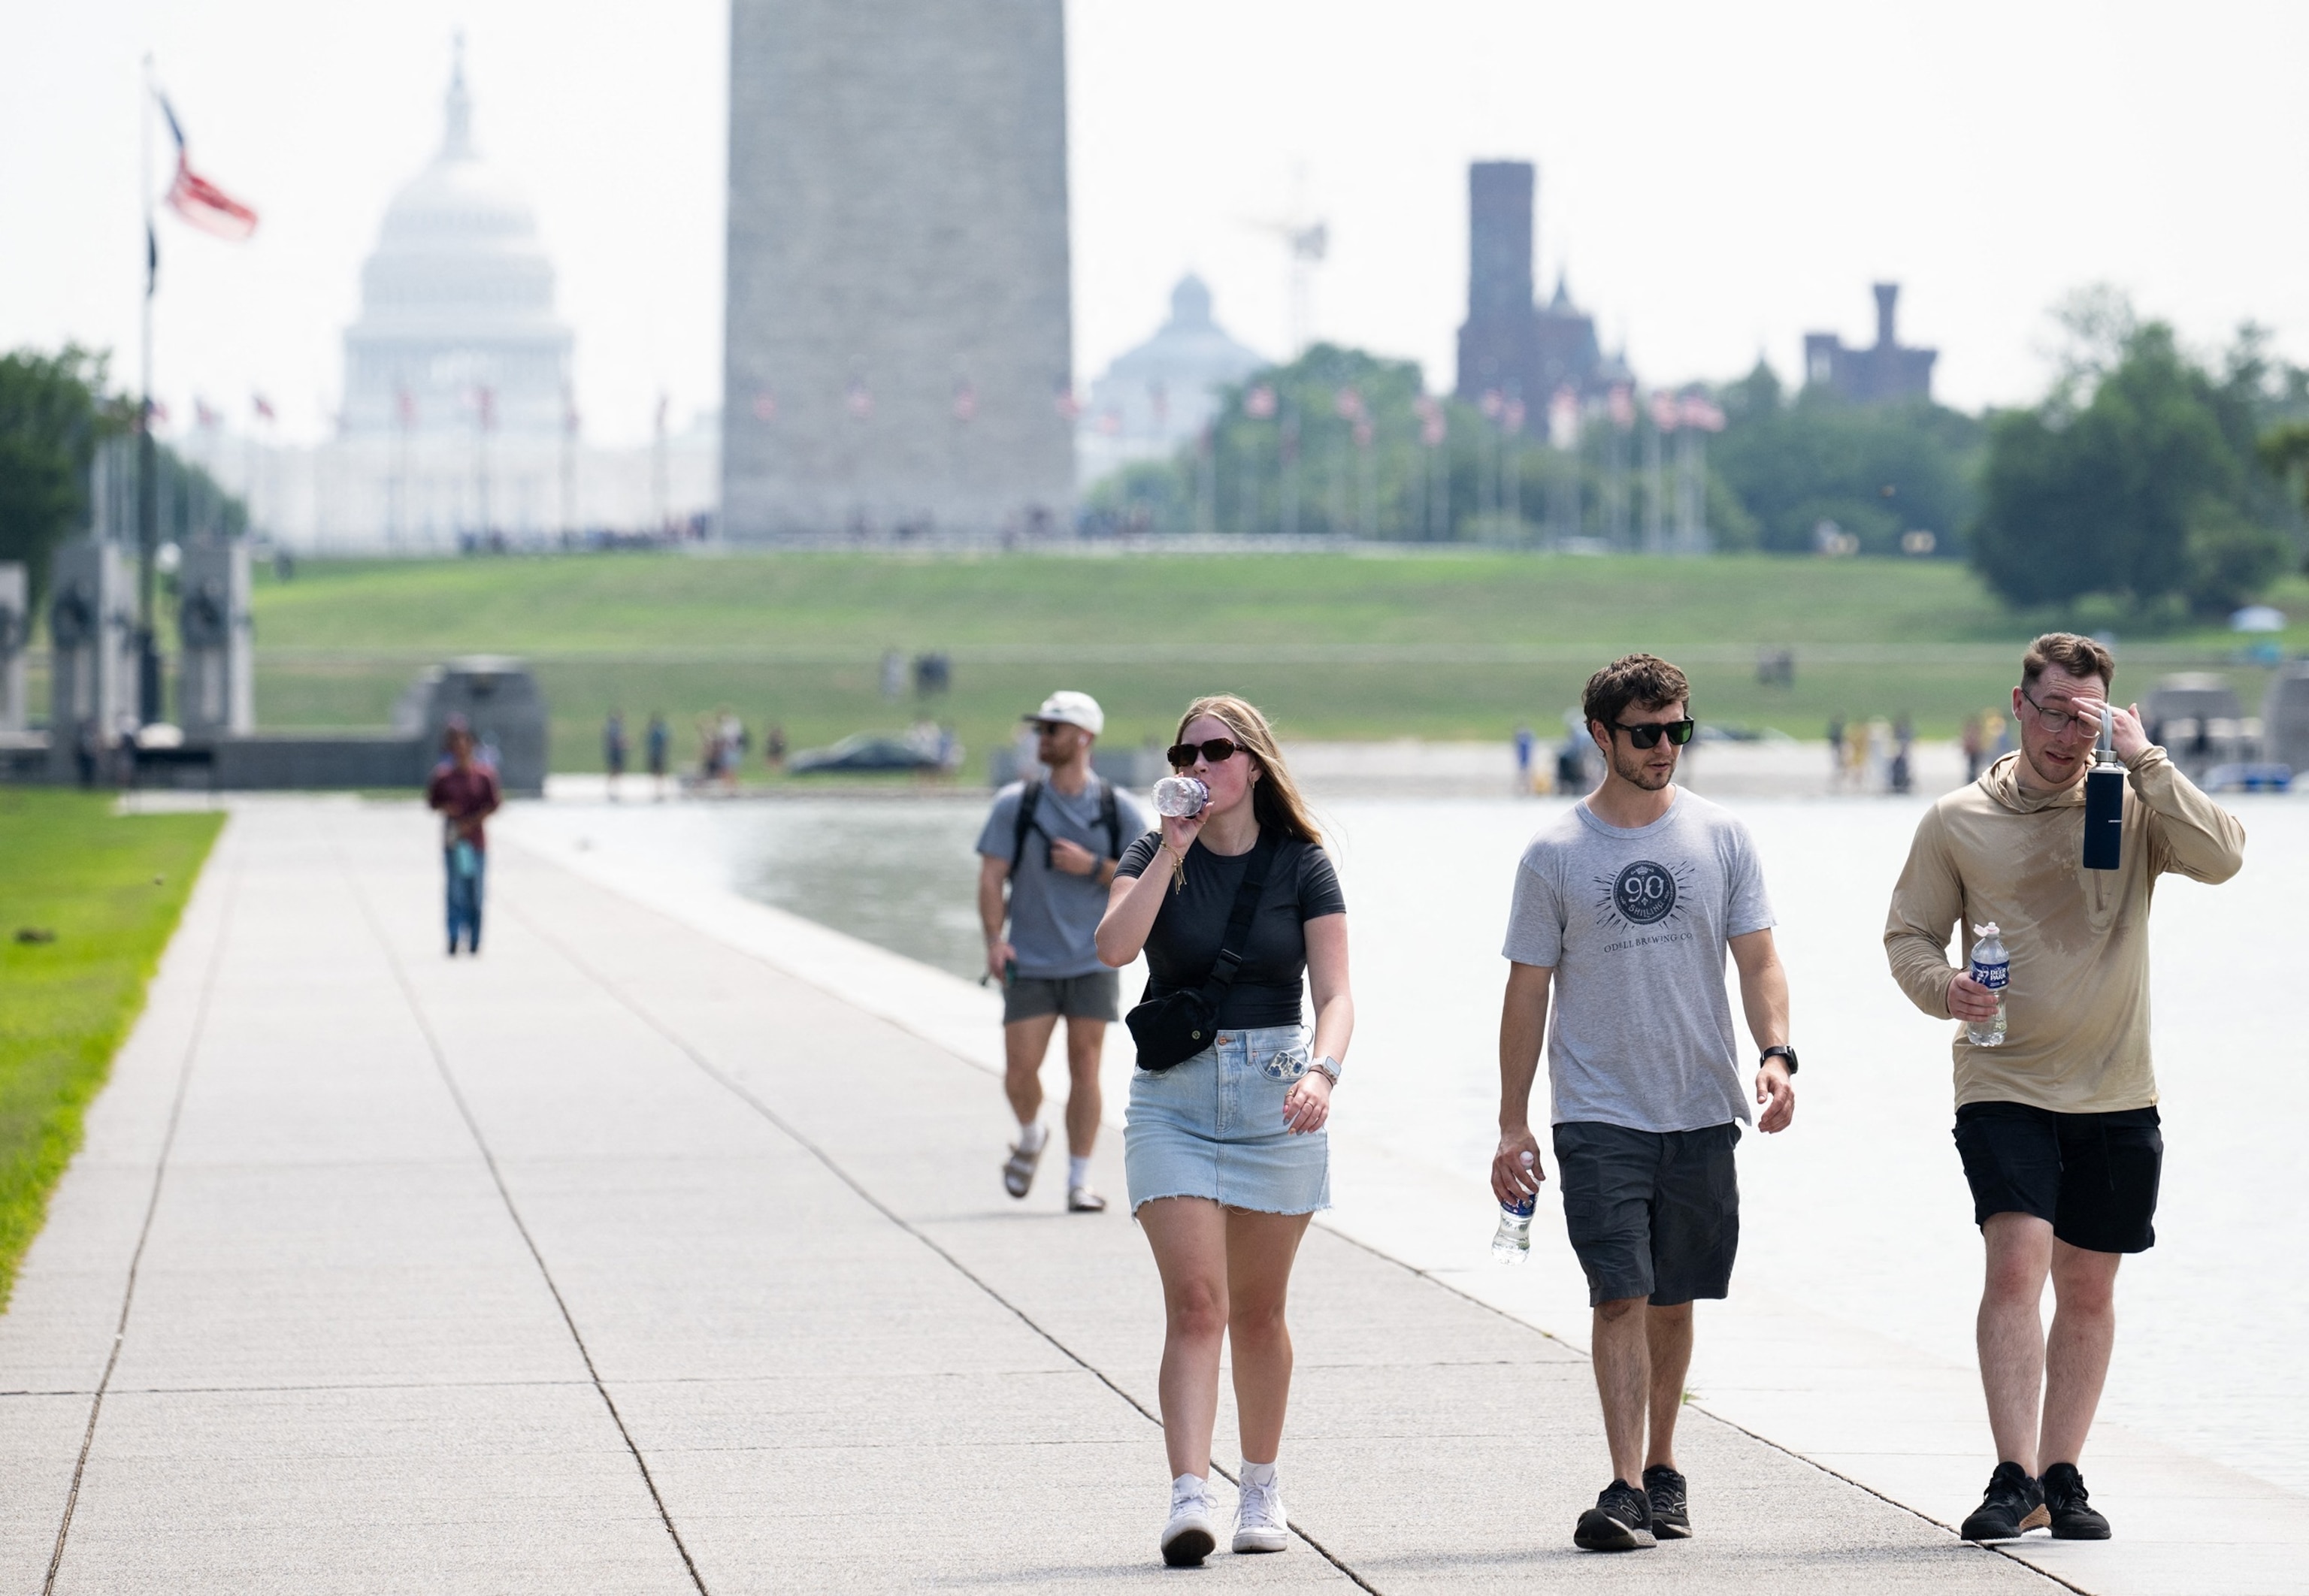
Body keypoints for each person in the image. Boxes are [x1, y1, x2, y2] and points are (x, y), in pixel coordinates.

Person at [1884, 633, 2244, 1543]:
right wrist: (1945, 991)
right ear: (2017, 703)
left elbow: (2225, 857)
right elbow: (1909, 938)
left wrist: (2143, 758)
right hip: (2002, 1077)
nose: (2065, 735)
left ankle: (2062, 1474)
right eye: (2052, 712)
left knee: (2088, 1287)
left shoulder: (2128, 802)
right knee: (2017, 1260)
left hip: (2117, 1085)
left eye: (2085, 718)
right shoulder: (1956, 819)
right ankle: (2012, 1474)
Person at [1490, 653, 1796, 1553]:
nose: (1665, 748)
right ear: (1600, 736)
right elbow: (1526, 991)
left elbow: (1760, 959)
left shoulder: (1724, 836)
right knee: (1619, 1292)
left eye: (1677, 731)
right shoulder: (1554, 854)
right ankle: (1623, 1485)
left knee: (1673, 1299)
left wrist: (1776, 1053)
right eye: (1645, 733)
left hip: (1700, 1103)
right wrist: (1513, 1122)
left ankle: (1664, 1467)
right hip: (1597, 1110)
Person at [1095, 695, 1349, 1569]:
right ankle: (1187, 1495)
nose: (1197, 767)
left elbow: (1339, 995)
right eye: (1185, 752)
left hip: (1278, 1093)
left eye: (1215, 751)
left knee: (1260, 1311)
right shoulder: (1153, 848)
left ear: (1253, 764)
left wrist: (1325, 1071)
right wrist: (1170, 848)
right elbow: (1113, 948)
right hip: (1173, 1098)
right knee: (1197, 1304)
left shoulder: (1303, 863)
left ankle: (1262, 1483)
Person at [976, 691, 1152, 1214]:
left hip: (1092, 957)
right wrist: (994, 940)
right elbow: (990, 876)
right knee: (1019, 1071)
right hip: (1028, 959)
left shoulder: (1114, 807)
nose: (1042, 738)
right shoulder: (1017, 804)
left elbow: (1142, 877)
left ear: (1083, 737)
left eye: (1053, 729)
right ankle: (1031, 1135)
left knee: (1086, 1066)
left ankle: (1079, 1180)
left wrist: (1093, 866)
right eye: (1042, 729)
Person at [427, 718, 502, 956]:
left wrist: (474, 820)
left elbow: (494, 804)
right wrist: (448, 809)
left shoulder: (484, 776)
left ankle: (475, 939)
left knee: (475, 894)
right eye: (455, 742)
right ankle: (452, 936)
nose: (460, 747)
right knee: (455, 892)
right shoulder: (443, 776)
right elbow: (433, 802)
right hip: (454, 841)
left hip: (475, 842)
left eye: (463, 741)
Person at [604, 710, 628, 799]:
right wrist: (625, 743)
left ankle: (615, 787)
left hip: (616, 752)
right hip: (614, 752)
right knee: (614, 770)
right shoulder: (614, 727)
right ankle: (611, 788)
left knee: (616, 770)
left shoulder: (616, 727)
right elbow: (615, 740)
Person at [646, 711, 670, 799]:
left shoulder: (656, 732)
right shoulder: (655, 732)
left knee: (659, 771)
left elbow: (664, 742)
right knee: (656, 771)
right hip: (656, 754)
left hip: (657, 754)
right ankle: (657, 788)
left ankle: (659, 788)